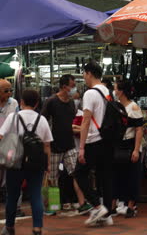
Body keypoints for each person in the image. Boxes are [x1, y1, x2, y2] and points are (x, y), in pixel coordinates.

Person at [0, 90, 53, 235]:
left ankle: (10, 227)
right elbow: (47, 145)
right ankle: (37, 228)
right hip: (36, 163)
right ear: (37, 104)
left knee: (12, 195)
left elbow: (1, 136)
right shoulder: (41, 120)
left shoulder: (13, 117)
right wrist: (47, 164)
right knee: (36, 195)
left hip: (15, 162)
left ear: (21, 102)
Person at [41, 74, 91, 215]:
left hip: (69, 145)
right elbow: (43, 121)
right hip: (53, 146)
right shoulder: (51, 101)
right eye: (72, 85)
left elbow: (68, 123)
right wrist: (45, 143)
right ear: (64, 87)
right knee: (52, 178)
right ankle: (53, 206)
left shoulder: (71, 103)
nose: (74, 88)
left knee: (77, 173)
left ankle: (82, 203)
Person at [75, 62, 114, 226]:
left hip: (94, 140)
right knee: (104, 178)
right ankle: (107, 215)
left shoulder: (90, 94)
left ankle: (98, 207)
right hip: (108, 140)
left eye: (84, 73)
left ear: (89, 73)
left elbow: (86, 121)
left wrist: (82, 147)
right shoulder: (108, 91)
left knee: (79, 174)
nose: (83, 77)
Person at [111, 80, 144, 218]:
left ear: (121, 91)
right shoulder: (115, 106)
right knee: (116, 176)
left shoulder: (134, 107)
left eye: (115, 89)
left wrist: (136, 150)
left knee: (132, 176)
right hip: (118, 144)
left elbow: (139, 129)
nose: (114, 91)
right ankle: (112, 205)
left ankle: (131, 206)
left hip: (131, 145)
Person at [0, 80, 23, 217]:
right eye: (5, 91)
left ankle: (17, 208)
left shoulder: (13, 103)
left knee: (13, 176)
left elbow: (16, 122)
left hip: (10, 145)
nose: (9, 93)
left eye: (10, 90)